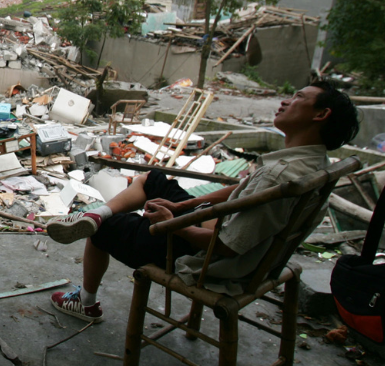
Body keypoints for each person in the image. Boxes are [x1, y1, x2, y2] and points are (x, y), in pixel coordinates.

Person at [46, 82, 360, 322]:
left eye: (298, 98)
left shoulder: (280, 176)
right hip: (224, 232)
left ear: (320, 115)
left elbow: (227, 247)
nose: (284, 101)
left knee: (106, 231)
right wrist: (183, 208)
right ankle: (98, 213)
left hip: (206, 257)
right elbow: (245, 187)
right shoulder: (313, 164)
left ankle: (85, 301)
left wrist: (171, 224)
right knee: (154, 178)